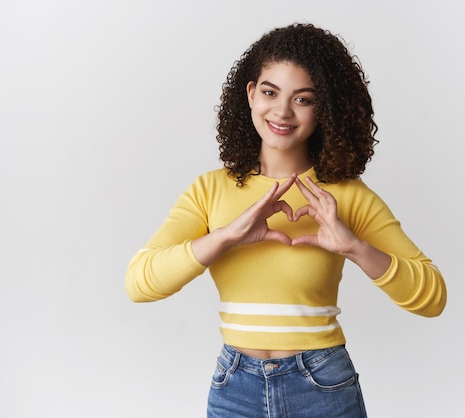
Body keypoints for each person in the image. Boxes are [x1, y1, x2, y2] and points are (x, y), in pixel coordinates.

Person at [125, 23, 447, 418]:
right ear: (250, 93)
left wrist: (355, 248)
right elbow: (140, 283)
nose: (281, 111)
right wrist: (226, 236)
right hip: (234, 390)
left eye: (303, 99)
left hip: (322, 385)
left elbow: (433, 297)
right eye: (270, 92)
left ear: (323, 108)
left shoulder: (345, 195)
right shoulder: (209, 191)